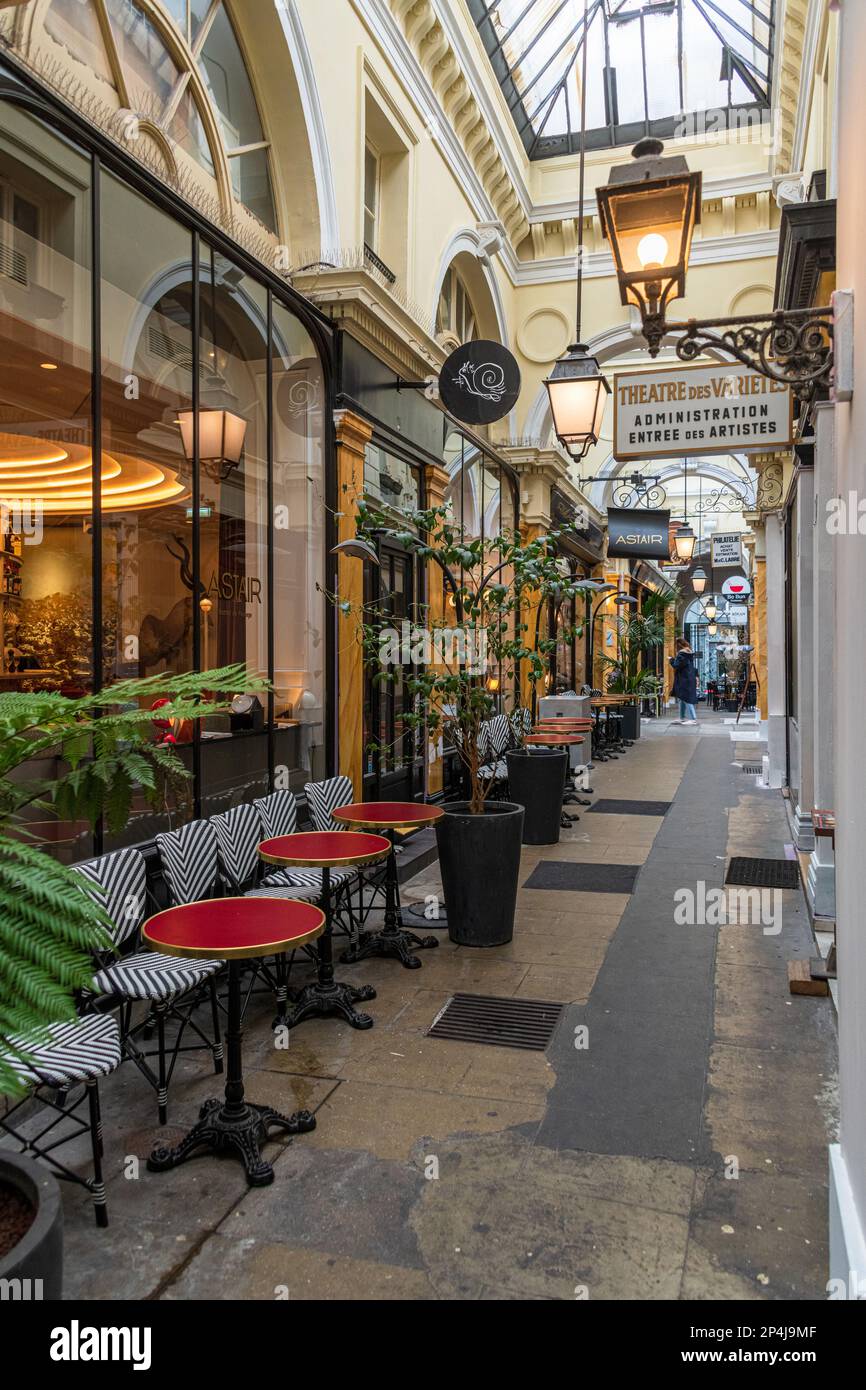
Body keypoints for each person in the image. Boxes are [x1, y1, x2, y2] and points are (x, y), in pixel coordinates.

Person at [670, 636, 699, 726]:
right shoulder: (689, 653)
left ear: (678, 645)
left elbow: (676, 665)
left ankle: (693, 718)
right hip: (689, 678)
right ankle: (682, 718)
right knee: (682, 698)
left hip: (684, 679)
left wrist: (671, 660)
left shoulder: (682, 654)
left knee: (686, 698)